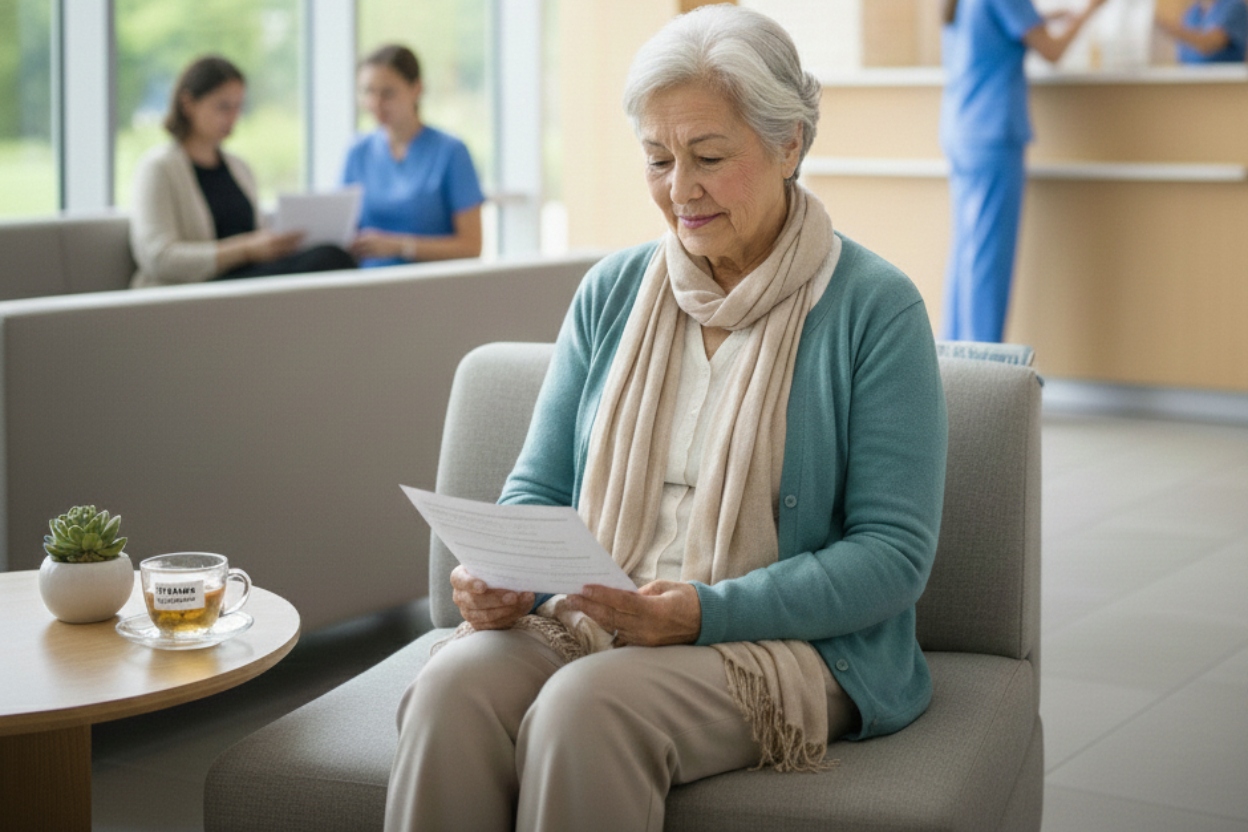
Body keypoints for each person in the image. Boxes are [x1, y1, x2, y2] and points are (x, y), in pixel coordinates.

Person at [384, 7, 949, 831]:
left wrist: (700, 612)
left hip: (781, 645)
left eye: (708, 157)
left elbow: (893, 557)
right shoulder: (613, 292)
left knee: (588, 707)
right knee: (450, 688)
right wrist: (504, 569)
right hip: (599, 619)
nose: (679, 189)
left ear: (789, 143)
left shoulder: (876, 307)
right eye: (657, 158)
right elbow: (539, 486)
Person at [939, 0, 1106, 342]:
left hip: (961, 129)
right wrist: (1092, 8)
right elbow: (1052, 51)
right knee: (989, 262)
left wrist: (1047, 16)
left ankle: (955, 369)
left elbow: (994, 28)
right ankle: (983, 373)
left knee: (968, 255)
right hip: (991, 134)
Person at [129, 56, 355, 289]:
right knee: (327, 259)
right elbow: (159, 259)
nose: (233, 117)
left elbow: (257, 234)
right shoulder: (158, 168)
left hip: (246, 281)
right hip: (195, 288)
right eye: (223, 106)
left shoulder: (238, 167)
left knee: (332, 255)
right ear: (188, 104)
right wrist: (245, 250)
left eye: (238, 106)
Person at [343, 45, 485, 268]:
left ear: (416, 89)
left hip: (429, 288)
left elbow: (471, 246)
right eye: (368, 92)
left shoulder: (451, 152)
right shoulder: (357, 152)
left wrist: (400, 246)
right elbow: (341, 227)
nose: (376, 104)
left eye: (388, 93)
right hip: (364, 287)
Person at [1156, 0, 1248, 63]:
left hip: (1224, 85)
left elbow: (1208, 44)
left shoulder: (1234, 7)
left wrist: (1167, 27)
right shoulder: (1192, 12)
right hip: (1190, 83)